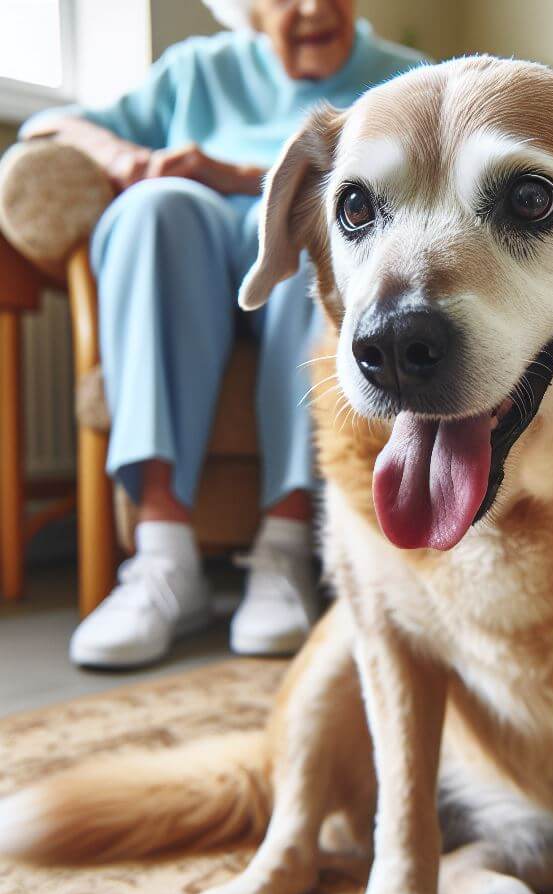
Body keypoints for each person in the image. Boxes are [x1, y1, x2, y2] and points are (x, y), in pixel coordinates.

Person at [21, 0, 426, 668]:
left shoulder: (402, 81)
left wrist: (234, 176)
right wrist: (126, 157)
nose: (314, 8)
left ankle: (285, 548)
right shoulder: (196, 72)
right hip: (194, 272)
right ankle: (162, 560)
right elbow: (51, 124)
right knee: (157, 207)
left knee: (326, 223)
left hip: (299, 277)